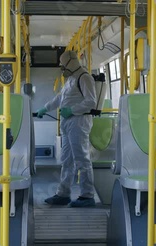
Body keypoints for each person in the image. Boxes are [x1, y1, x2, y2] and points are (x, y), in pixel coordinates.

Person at [36, 50, 97, 207]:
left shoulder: (84, 77)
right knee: (67, 160)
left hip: (79, 122)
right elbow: (59, 98)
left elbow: (91, 101)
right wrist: (44, 108)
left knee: (82, 159)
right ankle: (63, 194)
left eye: (63, 65)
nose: (62, 69)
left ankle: (87, 195)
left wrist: (72, 110)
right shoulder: (71, 79)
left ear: (71, 62)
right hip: (68, 123)